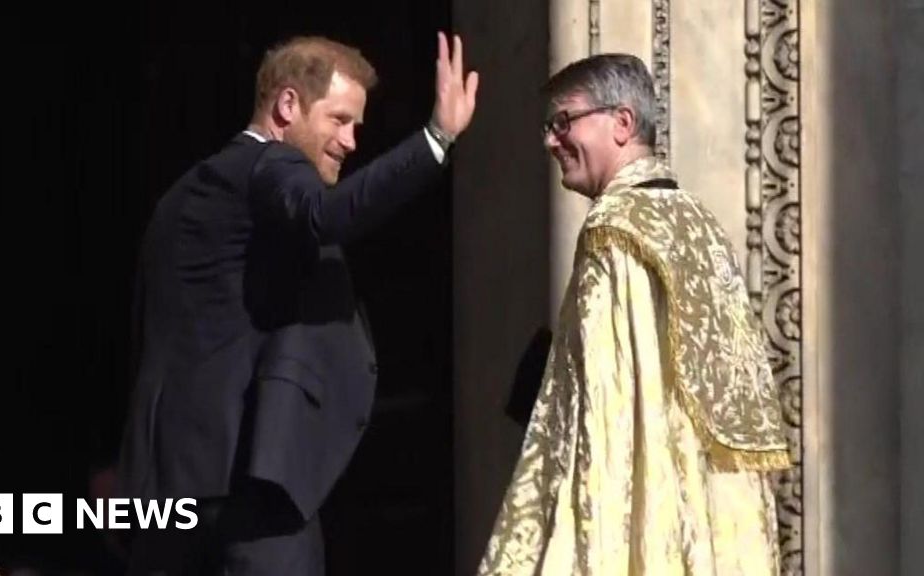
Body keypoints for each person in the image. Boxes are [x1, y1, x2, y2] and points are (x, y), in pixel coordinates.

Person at [117, 33, 478, 575]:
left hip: (163, 493)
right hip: (250, 488)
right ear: (287, 105)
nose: (352, 141)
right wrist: (436, 139)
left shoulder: (177, 202)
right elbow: (326, 215)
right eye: (339, 120)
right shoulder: (270, 167)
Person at [477, 54, 790, 575]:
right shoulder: (698, 222)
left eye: (563, 122)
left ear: (622, 123)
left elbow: (603, 401)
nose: (550, 141)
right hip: (707, 513)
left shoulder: (613, 228)